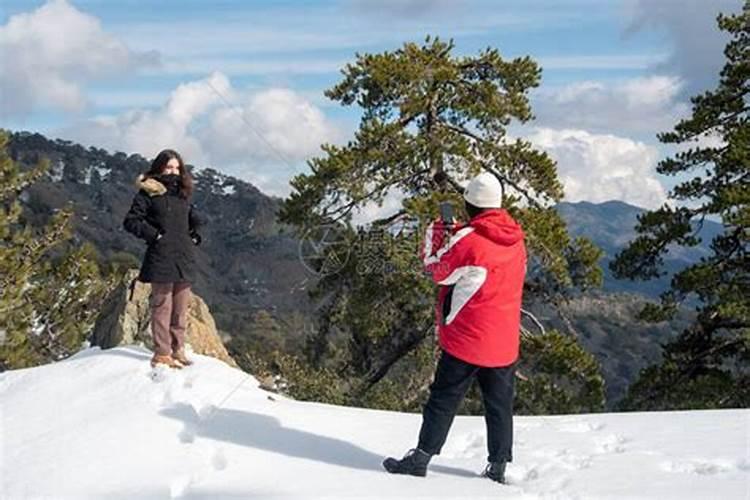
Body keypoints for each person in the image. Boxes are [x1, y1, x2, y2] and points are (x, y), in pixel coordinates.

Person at [383, 172, 526, 484]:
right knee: (499, 406)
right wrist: (460, 234)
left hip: (467, 340)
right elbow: (487, 262)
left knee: (443, 398)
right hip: (503, 342)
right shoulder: (516, 238)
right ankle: (498, 468)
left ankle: (420, 459)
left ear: (469, 204)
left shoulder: (469, 240)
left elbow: (437, 269)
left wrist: (436, 232)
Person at [123, 149, 204, 369]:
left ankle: (178, 350)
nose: (173, 172)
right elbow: (131, 221)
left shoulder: (182, 193)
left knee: (180, 308)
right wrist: (154, 235)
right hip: (160, 257)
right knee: (162, 306)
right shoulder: (148, 192)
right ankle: (162, 352)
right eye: (169, 167)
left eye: (177, 168)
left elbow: (189, 221)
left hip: (184, 256)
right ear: (159, 168)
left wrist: (195, 235)